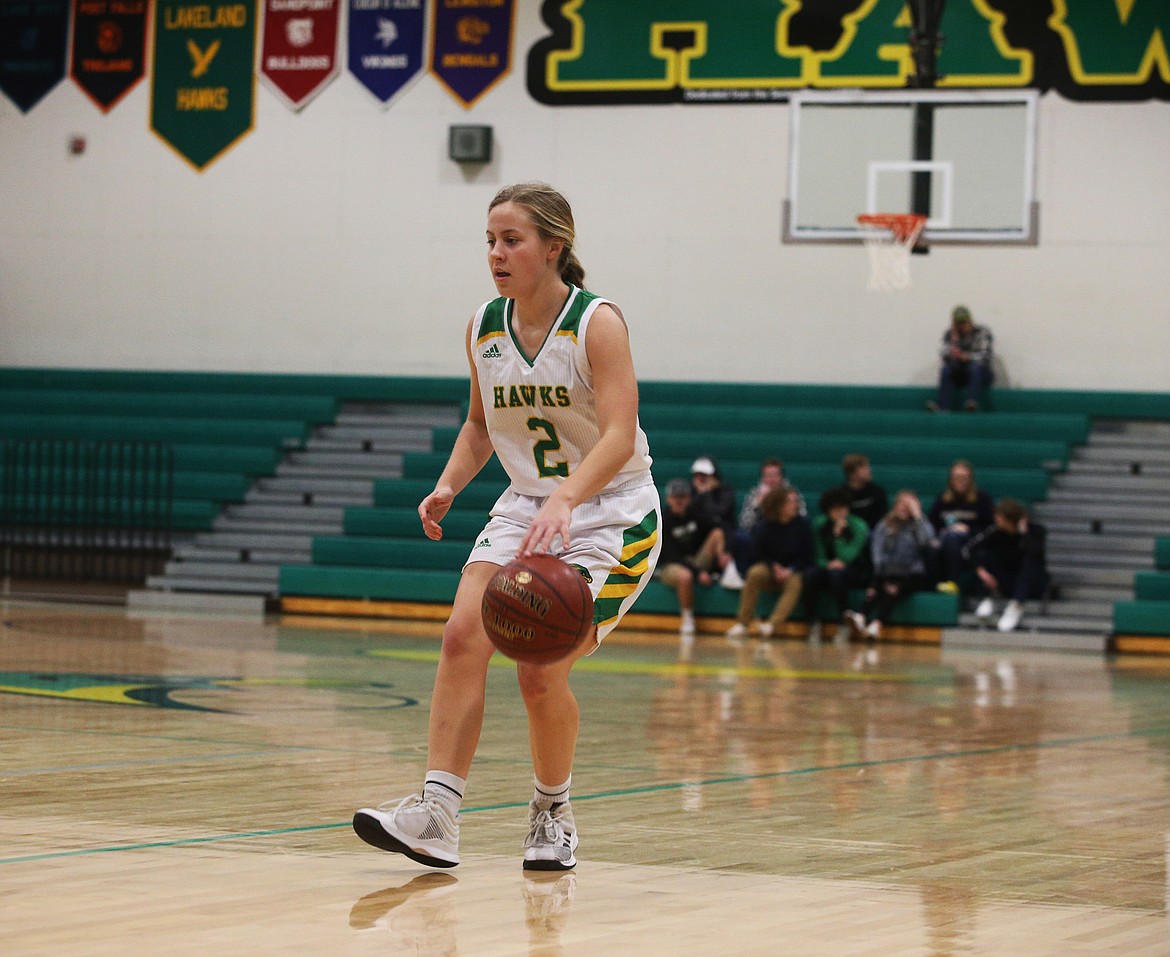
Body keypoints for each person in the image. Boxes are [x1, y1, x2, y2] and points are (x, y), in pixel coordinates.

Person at [353, 183, 661, 873]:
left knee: (539, 664)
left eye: (511, 239)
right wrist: (448, 484)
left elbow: (618, 434)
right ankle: (436, 814)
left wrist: (568, 499)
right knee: (463, 634)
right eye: (489, 240)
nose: (495, 252)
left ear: (554, 247)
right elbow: (477, 423)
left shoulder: (597, 322)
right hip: (527, 502)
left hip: (610, 508)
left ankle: (552, 810)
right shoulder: (484, 327)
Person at [726, 486, 813, 645]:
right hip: (770, 568)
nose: (795, 505)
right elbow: (758, 553)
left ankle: (772, 625)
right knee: (754, 573)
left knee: (796, 582)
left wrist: (790, 569)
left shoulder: (803, 526)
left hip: (793, 569)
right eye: (790, 501)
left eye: (796, 501)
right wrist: (773, 566)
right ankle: (742, 623)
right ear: (779, 504)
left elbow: (806, 555)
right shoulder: (764, 526)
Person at [846, 489, 935, 641]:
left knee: (893, 588)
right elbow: (877, 552)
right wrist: (883, 572)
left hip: (912, 574)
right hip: (888, 571)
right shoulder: (885, 524)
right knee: (875, 586)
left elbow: (926, 541)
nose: (903, 507)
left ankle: (876, 623)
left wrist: (918, 515)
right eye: (901, 503)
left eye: (908, 505)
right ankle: (861, 617)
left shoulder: (919, 524)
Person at [655, 477, 724, 651]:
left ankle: (725, 571)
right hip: (671, 565)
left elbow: (717, 524)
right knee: (685, 576)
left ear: (689, 498)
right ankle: (687, 617)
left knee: (717, 533)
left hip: (693, 561)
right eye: (676, 497)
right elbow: (674, 556)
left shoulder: (695, 514)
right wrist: (698, 573)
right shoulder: (664, 520)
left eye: (683, 497)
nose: (679, 501)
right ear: (668, 499)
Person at [963, 498, 1050, 632]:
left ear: (1009, 519)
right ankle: (988, 597)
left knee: (1030, 562)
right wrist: (981, 571)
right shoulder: (995, 532)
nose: (995, 519)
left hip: (1032, 584)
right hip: (1008, 582)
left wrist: (1024, 533)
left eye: (999, 517)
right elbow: (968, 549)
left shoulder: (1036, 531)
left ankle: (1015, 606)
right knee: (986, 555)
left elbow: (1036, 554)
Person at [800, 488, 872, 641]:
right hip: (827, 567)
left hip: (854, 569)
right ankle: (812, 622)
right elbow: (817, 554)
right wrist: (826, 564)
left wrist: (838, 536)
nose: (840, 512)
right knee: (810, 575)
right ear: (827, 510)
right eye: (835, 509)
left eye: (844, 508)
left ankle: (843, 624)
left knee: (837, 576)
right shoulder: (819, 524)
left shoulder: (859, 526)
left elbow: (848, 556)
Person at [926, 459, 996, 593]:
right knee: (932, 548)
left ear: (970, 479)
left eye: (963, 477)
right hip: (945, 540)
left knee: (953, 538)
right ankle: (932, 587)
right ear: (950, 479)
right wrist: (945, 531)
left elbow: (990, 527)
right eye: (956, 477)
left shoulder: (981, 499)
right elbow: (931, 524)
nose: (959, 480)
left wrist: (968, 529)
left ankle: (952, 582)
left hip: (971, 543)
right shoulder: (942, 499)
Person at [725, 457, 786, 587]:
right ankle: (744, 576)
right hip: (759, 541)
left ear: (781, 477)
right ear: (763, 478)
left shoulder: (791, 494)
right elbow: (744, 524)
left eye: (775, 475)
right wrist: (757, 506)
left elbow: (799, 521)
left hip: (782, 540)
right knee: (740, 536)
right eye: (768, 476)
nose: (772, 480)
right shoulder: (754, 494)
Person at [926, 305, 994, 413]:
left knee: (975, 367)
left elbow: (985, 356)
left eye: (963, 323)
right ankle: (943, 407)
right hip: (961, 373)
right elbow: (944, 355)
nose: (961, 326)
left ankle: (972, 402)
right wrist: (954, 342)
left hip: (980, 373)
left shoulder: (982, 333)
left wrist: (966, 356)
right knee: (946, 370)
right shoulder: (950, 334)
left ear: (970, 321)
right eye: (958, 323)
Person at [688, 455, 735, 576]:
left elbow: (718, 518)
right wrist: (702, 495)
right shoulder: (689, 495)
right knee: (717, 533)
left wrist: (706, 494)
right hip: (693, 554)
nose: (701, 480)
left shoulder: (725, 493)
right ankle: (729, 571)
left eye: (704, 477)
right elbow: (693, 518)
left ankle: (728, 570)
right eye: (697, 476)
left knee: (718, 533)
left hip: (723, 548)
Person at [834, 452, 888, 529]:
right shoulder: (840, 495)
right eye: (864, 467)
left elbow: (882, 521)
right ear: (852, 474)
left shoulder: (878, 492)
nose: (869, 470)